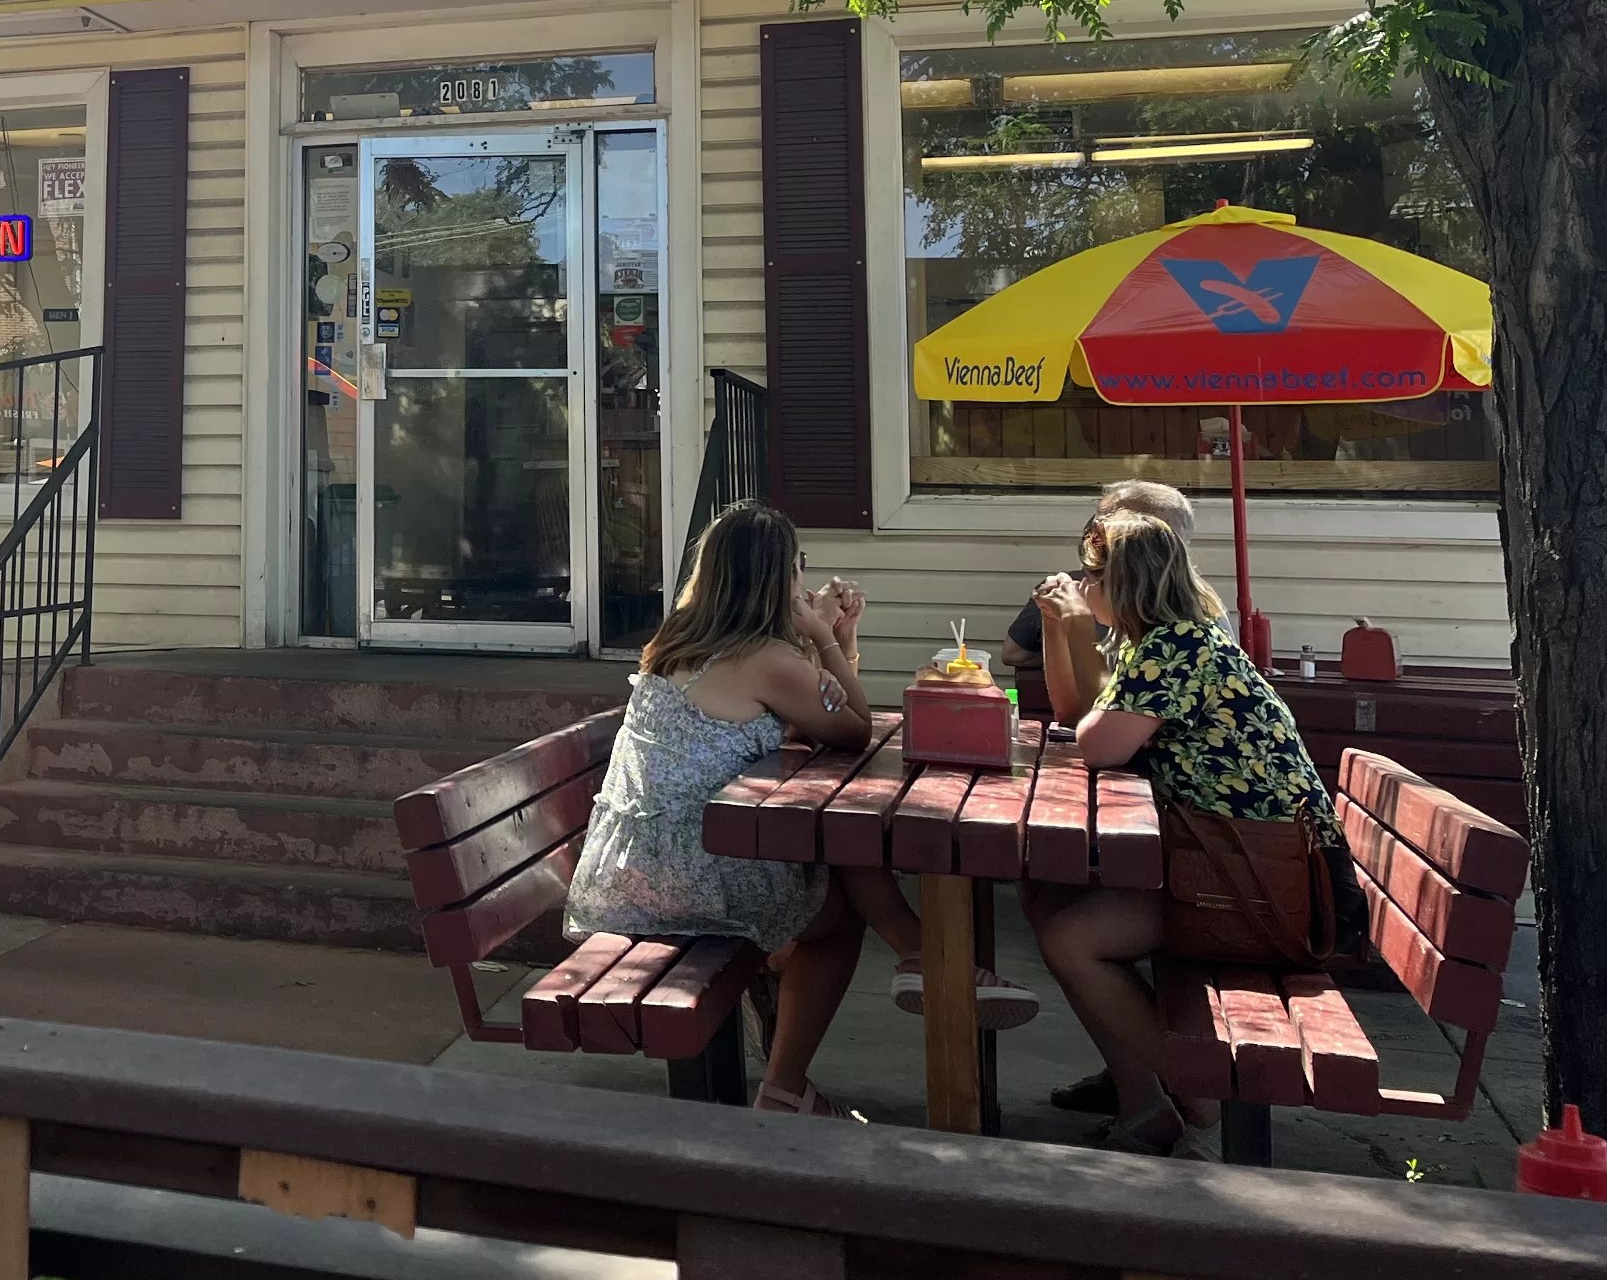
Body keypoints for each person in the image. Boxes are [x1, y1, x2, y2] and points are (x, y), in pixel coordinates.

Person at [566, 500, 1034, 1119]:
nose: (804, 577)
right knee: (835, 913)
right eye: (798, 564)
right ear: (776, 577)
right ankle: (808, 1066)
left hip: (641, 862)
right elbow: (854, 730)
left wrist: (837, 645)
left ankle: (923, 960)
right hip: (690, 870)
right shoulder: (765, 657)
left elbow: (817, 718)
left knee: (834, 852)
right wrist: (825, 637)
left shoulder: (680, 640)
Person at [1024, 509, 1343, 1159]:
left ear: (1125, 583)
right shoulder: (1158, 643)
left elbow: (1098, 746)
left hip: (1262, 889)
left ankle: (1201, 1097)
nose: (1082, 585)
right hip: (1239, 867)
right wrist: (1061, 628)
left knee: (1072, 938)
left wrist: (1079, 627)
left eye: (1092, 575)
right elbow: (1075, 714)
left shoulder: (1177, 648)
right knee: (1049, 895)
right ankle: (1143, 1103)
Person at [997, 477, 1196, 699]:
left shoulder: (1179, 638)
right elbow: (1075, 713)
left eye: (1113, 524)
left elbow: (1103, 715)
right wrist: (1053, 624)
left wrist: (1079, 625)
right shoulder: (1136, 627)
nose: (1093, 532)